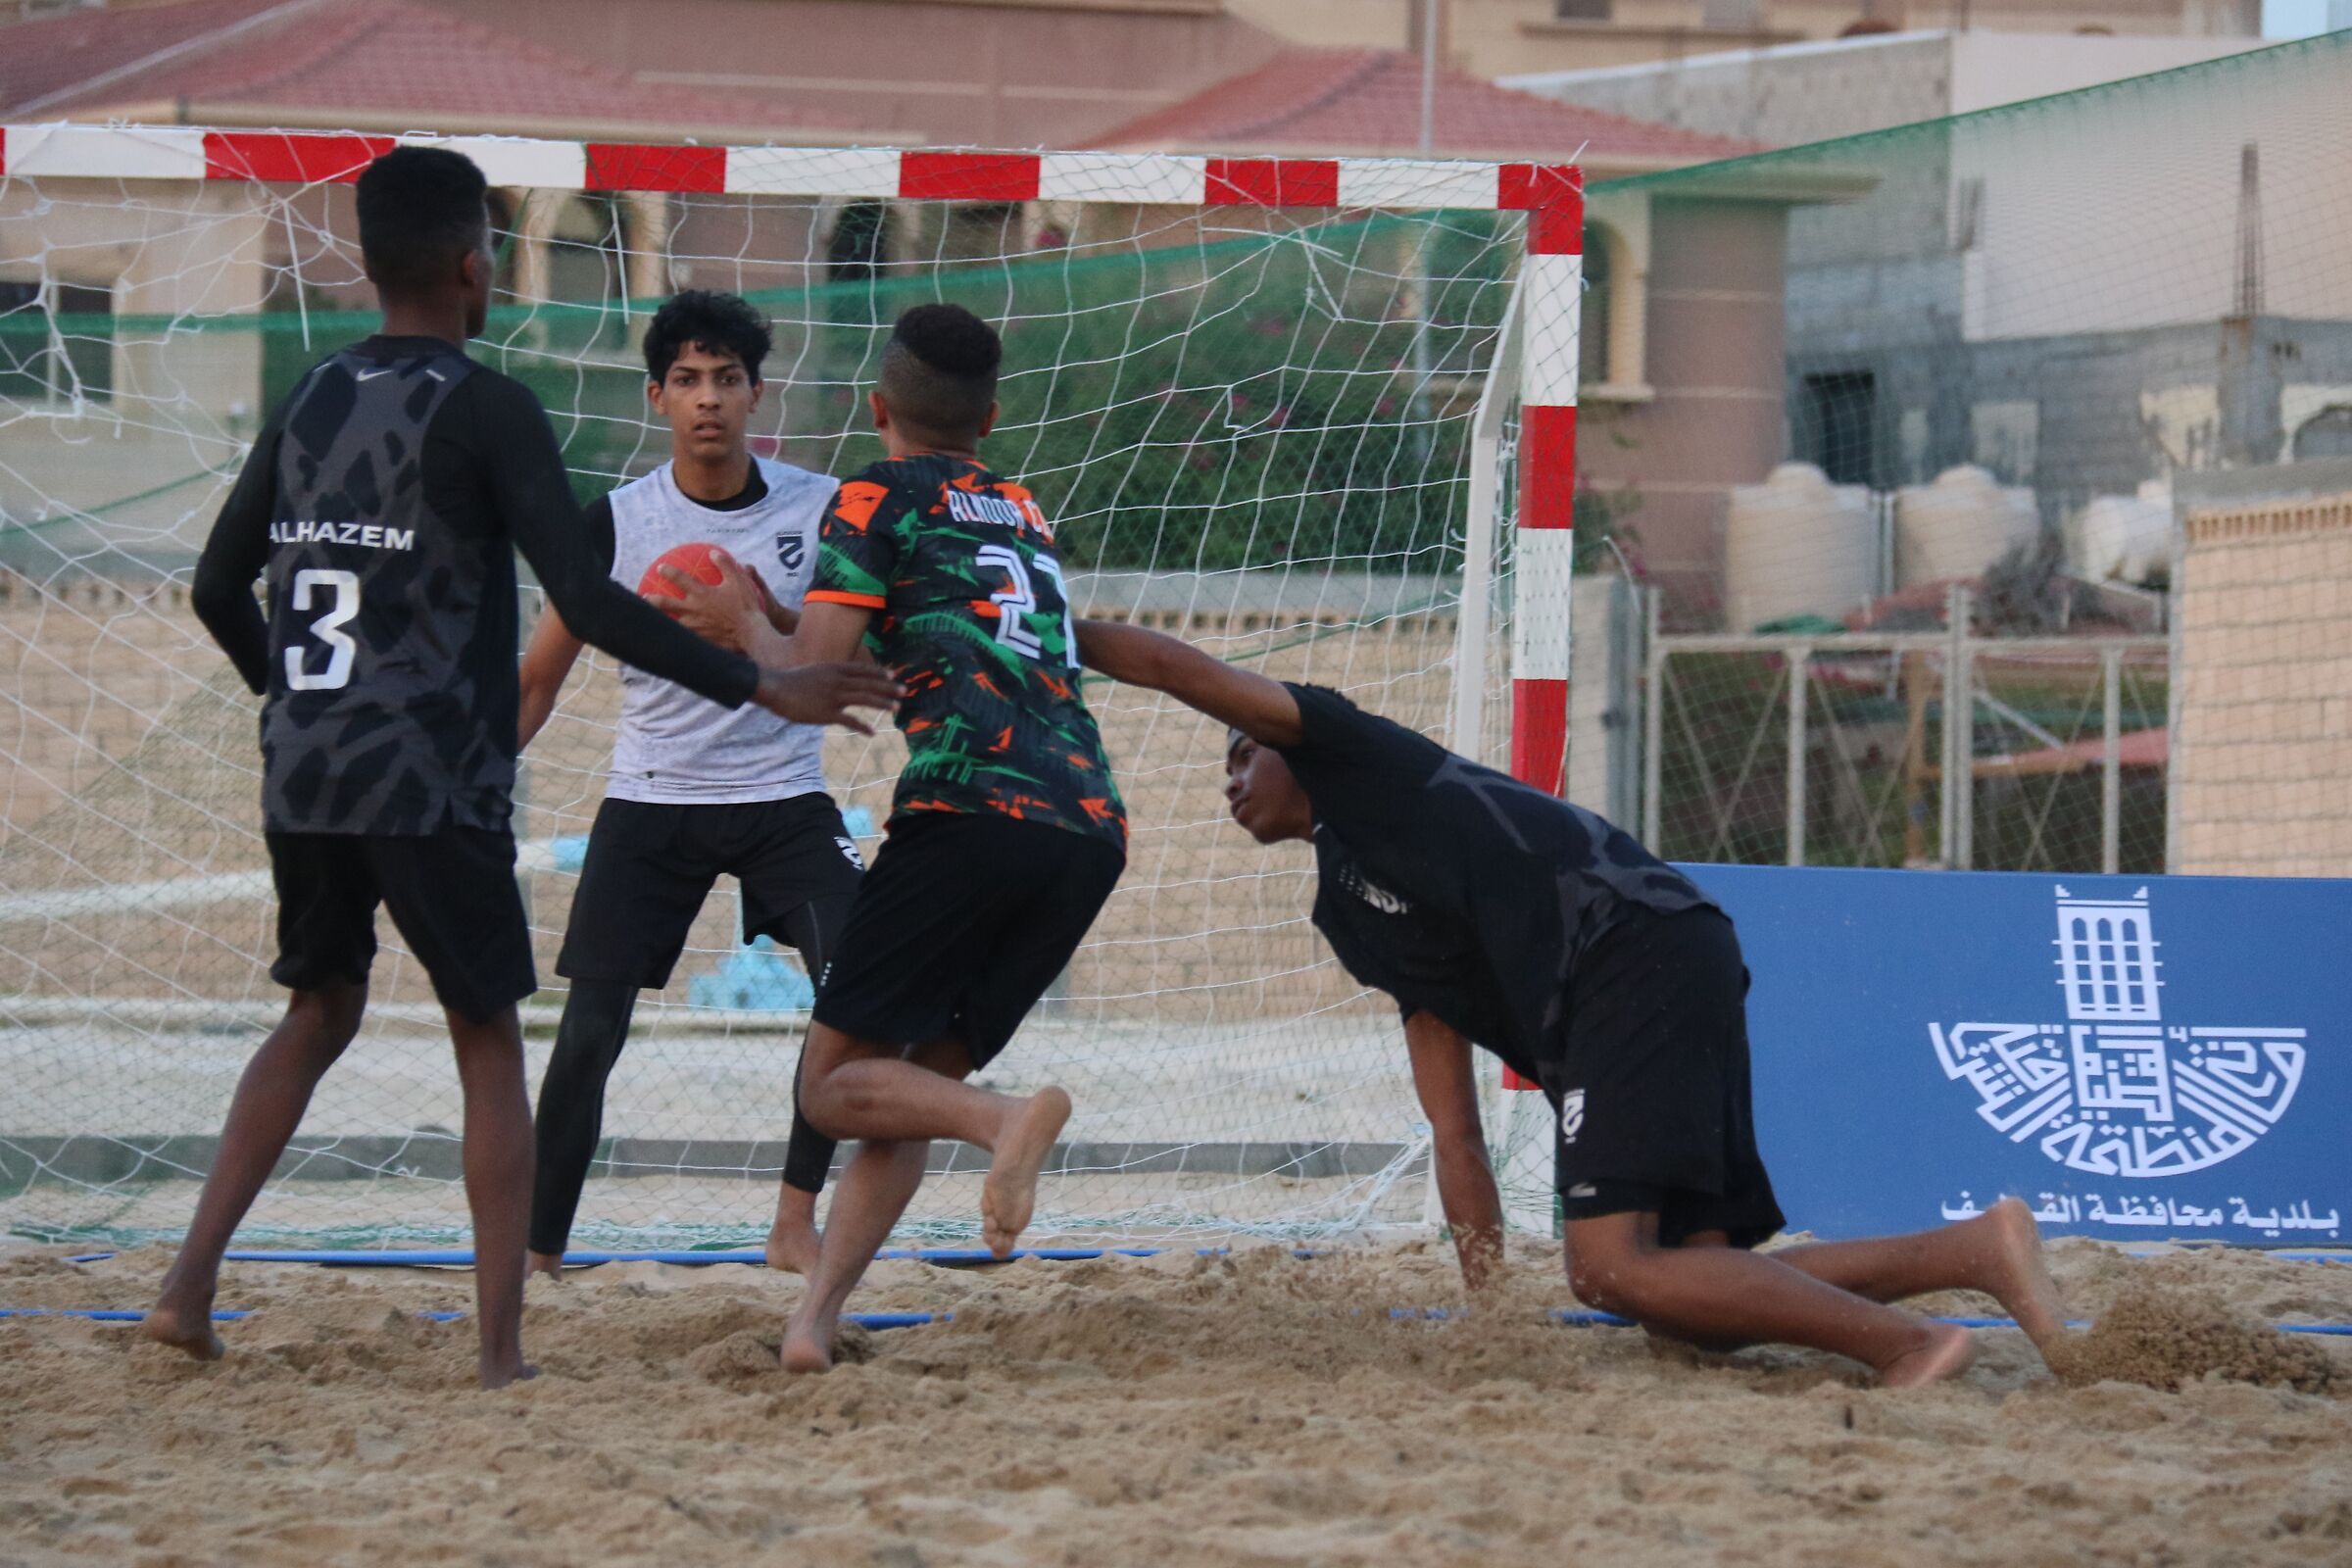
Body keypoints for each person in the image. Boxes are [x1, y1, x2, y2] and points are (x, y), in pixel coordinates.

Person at [151, 148, 897, 1390]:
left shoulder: (312, 396)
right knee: (490, 1037)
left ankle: (182, 1290)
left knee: (317, 1007)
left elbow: (217, 587)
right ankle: (501, 1352)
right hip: (430, 774)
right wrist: (765, 678)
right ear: (471, 264)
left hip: (307, 769)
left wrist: (291, 700)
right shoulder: (488, 406)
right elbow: (591, 602)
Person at [1062, 619, 2071, 1389]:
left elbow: (1177, 671)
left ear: (1291, 744)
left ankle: (1916, 1347)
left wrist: (1048, 623)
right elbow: (1454, 1131)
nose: (1230, 776)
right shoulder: (1349, 912)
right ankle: (1972, 1251)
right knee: (1682, 1296)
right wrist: (1490, 1311)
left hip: (1631, 937)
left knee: (1607, 1270)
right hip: (1661, 952)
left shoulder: (1358, 755)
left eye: (1243, 751)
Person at [654, 303, 1126, 1373]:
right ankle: (814, 1322)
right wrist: (781, 608)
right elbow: (862, 622)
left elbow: (809, 684)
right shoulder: (1021, 504)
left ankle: (1007, 1119)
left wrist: (742, 630)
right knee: (902, 1085)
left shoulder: (874, 492)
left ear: (878, 410)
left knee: (831, 1084)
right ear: (990, 419)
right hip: (1088, 827)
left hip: (969, 810)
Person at [515, 291, 860, 1278]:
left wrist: (753, 624)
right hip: (654, 797)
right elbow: (538, 679)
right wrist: (466, 773)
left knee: (859, 996)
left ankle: (793, 1222)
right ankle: (539, 1258)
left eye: (726, 380)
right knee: (586, 1036)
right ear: (658, 397)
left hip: (784, 796)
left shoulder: (822, 507)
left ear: (759, 393)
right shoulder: (615, 524)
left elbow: (838, 653)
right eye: (687, 381)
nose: (707, 399)